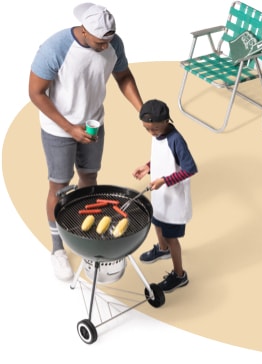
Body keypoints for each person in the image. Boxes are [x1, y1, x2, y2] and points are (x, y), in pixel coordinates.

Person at [29, 3, 143, 281]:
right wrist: (69, 127)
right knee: (59, 187)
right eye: (99, 42)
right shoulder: (55, 48)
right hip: (58, 129)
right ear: (83, 31)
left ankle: (83, 230)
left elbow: (124, 74)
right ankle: (57, 249)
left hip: (94, 124)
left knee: (89, 180)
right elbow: (36, 92)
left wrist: (141, 109)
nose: (106, 46)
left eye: (109, 41)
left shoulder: (113, 43)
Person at [133, 99, 198, 292]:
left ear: (167, 121)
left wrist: (164, 181)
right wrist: (148, 167)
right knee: (157, 221)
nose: (151, 133)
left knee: (171, 237)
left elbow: (190, 169)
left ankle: (179, 275)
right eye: (147, 129)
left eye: (154, 129)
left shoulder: (176, 139)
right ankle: (162, 251)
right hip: (160, 194)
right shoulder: (157, 134)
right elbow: (161, 157)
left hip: (174, 197)